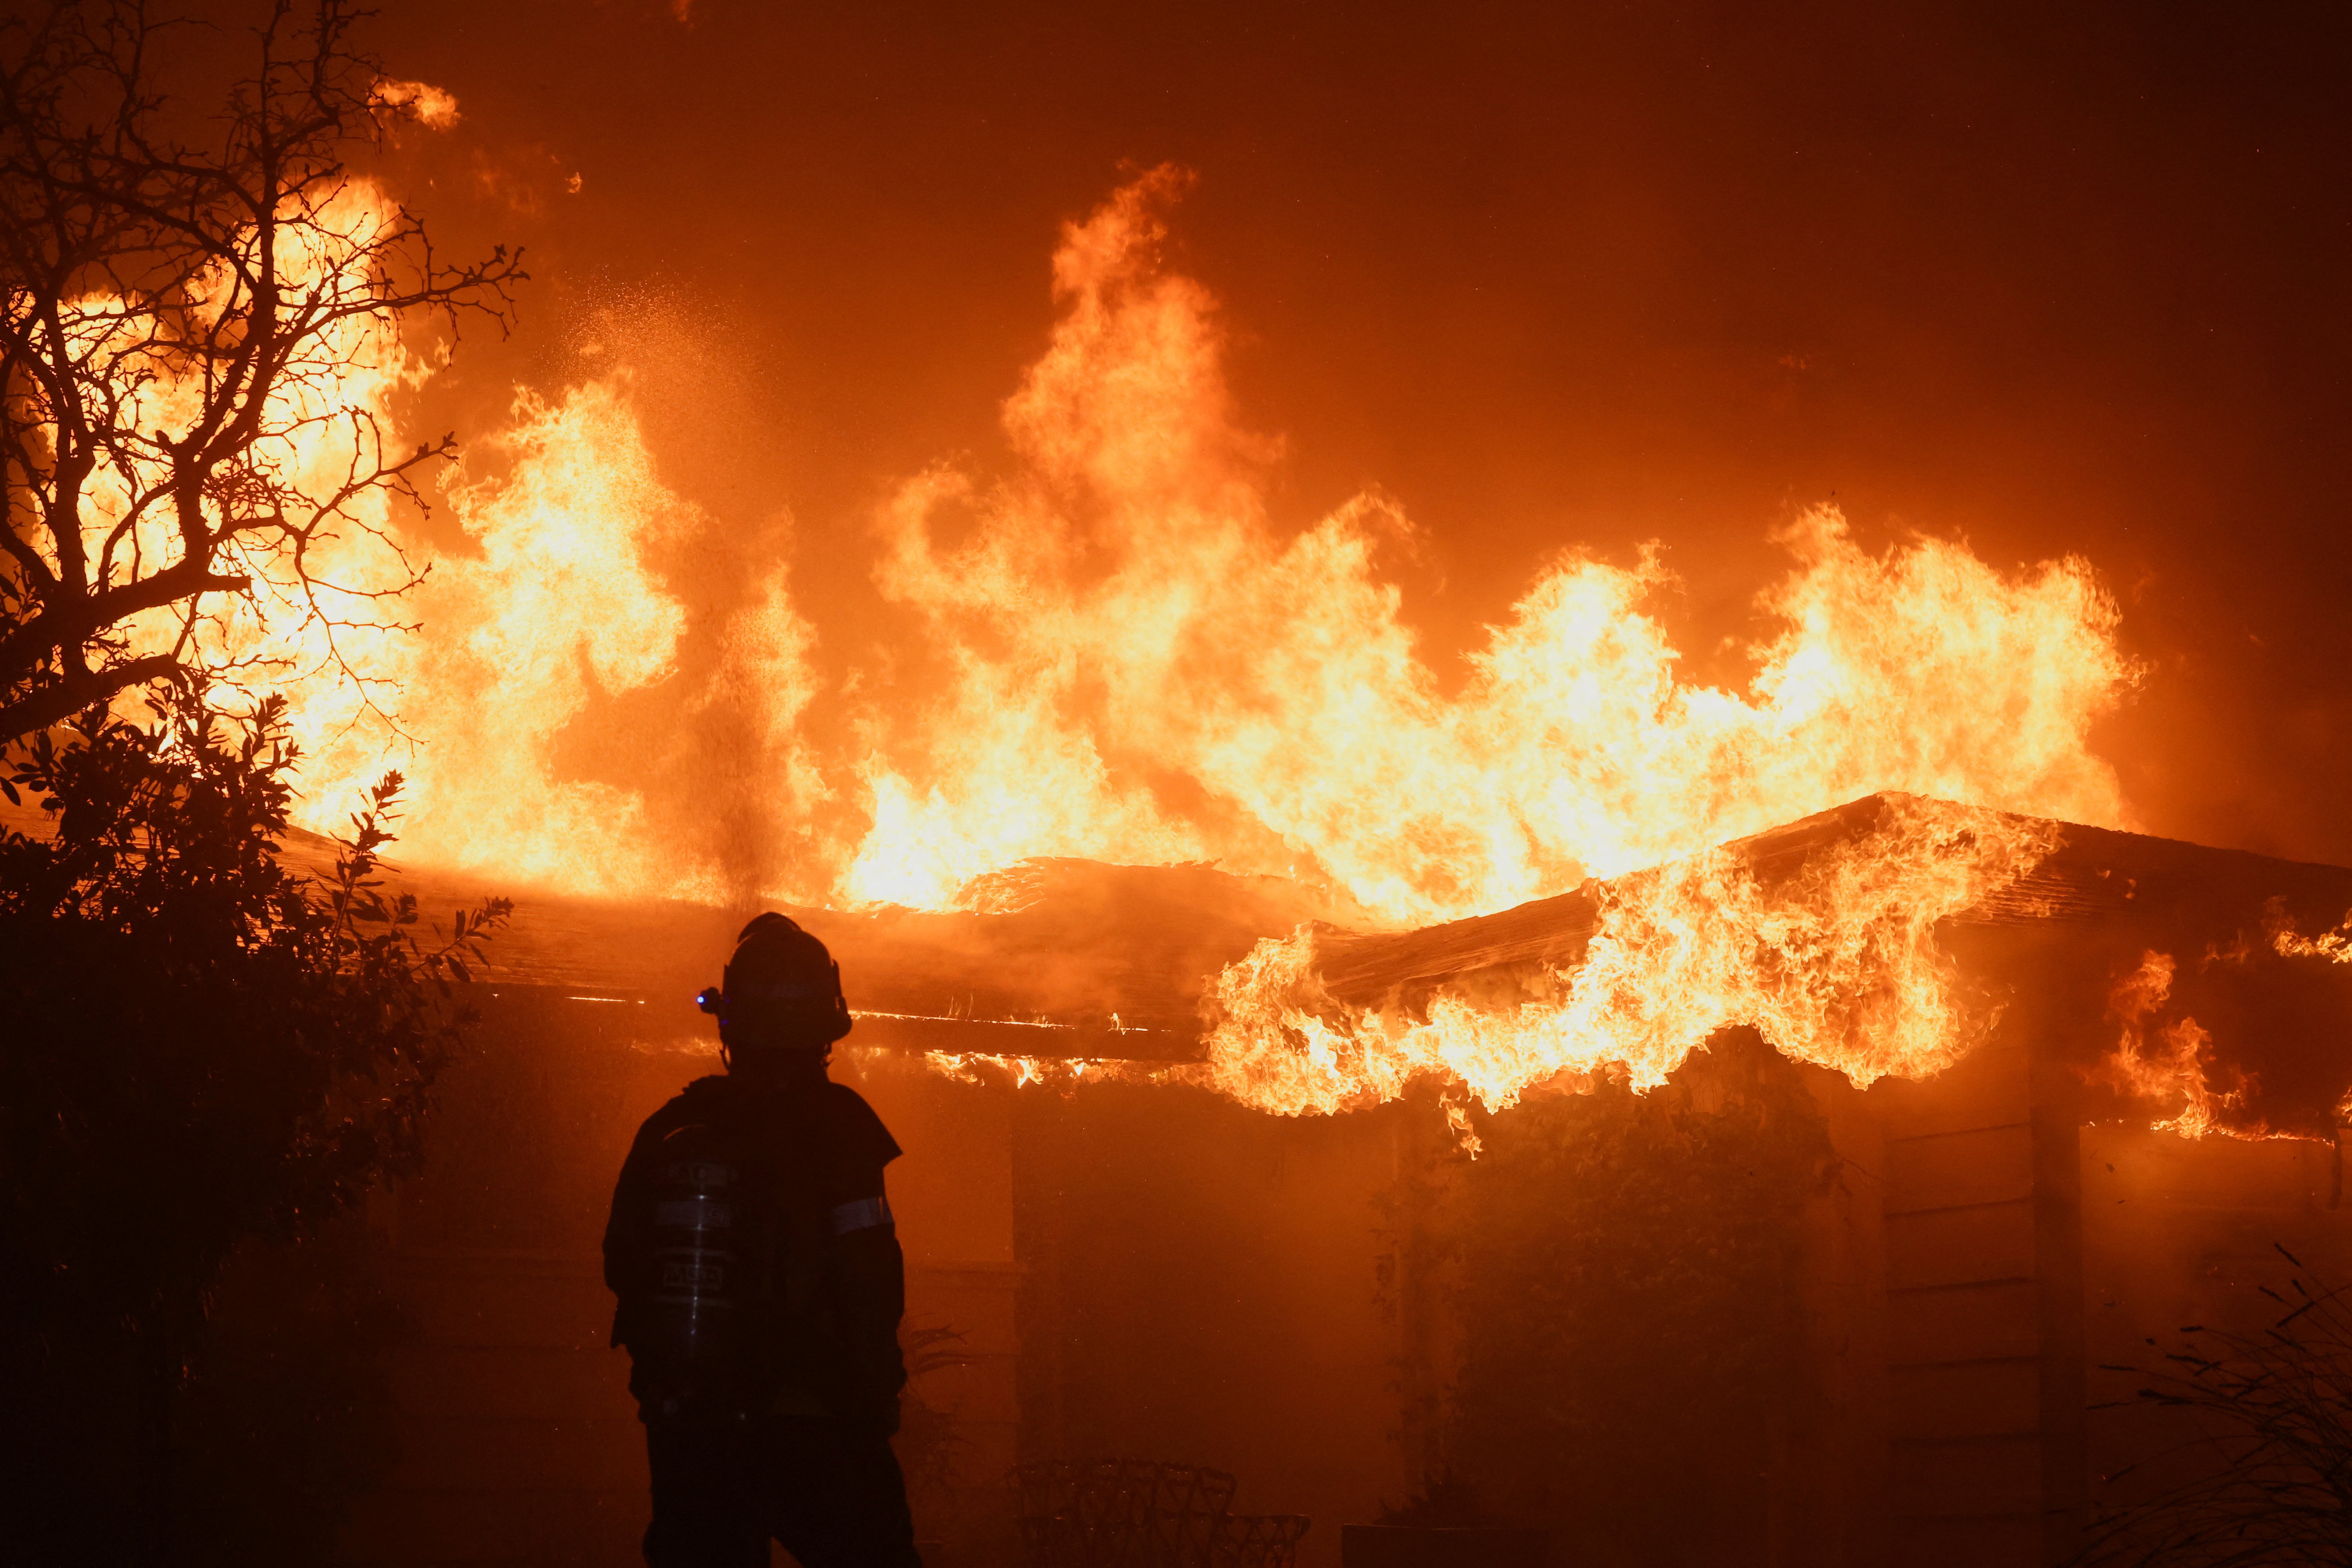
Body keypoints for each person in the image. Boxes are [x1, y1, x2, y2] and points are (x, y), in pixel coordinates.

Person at [603, 913, 920, 1568]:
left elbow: (623, 1264)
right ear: (826, 1028)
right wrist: (874, 1391)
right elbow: (870, 1276)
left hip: (695, 1423)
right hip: (816, 1421)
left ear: (729, 1023)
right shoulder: (840, 1129)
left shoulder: (673, 1128)